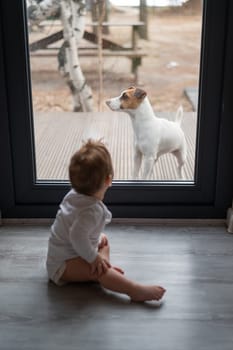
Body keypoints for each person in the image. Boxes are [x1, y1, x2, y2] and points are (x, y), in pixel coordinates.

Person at [46, 139, 166, 302]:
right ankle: (133, 289)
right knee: (99, 270)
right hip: (63, 266)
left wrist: (95, 249)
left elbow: (75, 228)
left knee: (104, 242)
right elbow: (76, 236)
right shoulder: (91, 211)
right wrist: (94, 259)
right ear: (109, 180)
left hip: (61, 254)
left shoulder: (74, 194)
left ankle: (104, 271)